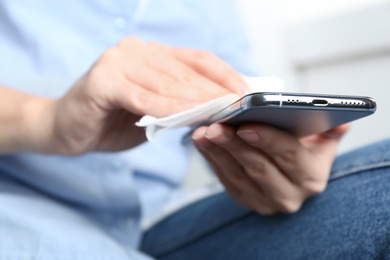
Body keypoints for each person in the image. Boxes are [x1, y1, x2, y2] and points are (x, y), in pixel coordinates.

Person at [1, 1, 389, 259]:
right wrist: (45, 119)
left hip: (163, 219)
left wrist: (282, 156)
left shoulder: (213, 9)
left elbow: (242, 97)